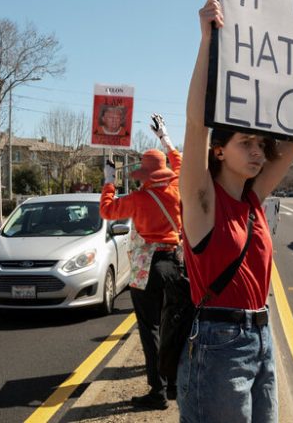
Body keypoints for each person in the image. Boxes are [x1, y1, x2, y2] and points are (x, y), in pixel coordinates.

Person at [178, 0, 293, 422]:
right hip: (219, 344)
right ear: (219, 151)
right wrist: (206, 42)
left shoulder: (252, 200)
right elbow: (196, 125)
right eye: (245, 144)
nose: (258, 152)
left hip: (260, 336)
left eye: (259, 144)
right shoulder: (202, 201)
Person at [99, 113, 183, 410]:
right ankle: (174, 384)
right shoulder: (177, 190)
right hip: (175, 265)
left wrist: (109, 181)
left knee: (151, 330)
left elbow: (108, 211)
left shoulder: (137, 199)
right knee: (174, 326)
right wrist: (164, 137)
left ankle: (157, 392)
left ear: (145, 177)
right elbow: (179, 162)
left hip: (147, 270)